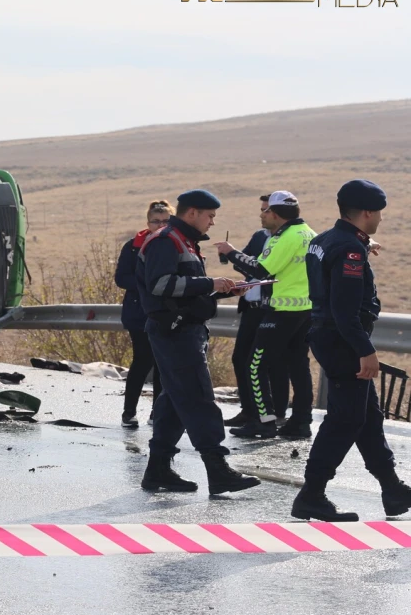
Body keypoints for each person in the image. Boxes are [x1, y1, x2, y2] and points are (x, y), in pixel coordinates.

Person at [292, 180, 411, 521]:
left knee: (367, 418)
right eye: (379, 215)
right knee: (345, 420)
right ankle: (311, 494)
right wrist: (366, 350)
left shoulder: (325, 240)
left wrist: (360, 244)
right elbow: (344, 311)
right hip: (343, 341)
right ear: (368, 212)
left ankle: (393, 490)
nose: (381, 221)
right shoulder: (350, 250)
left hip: (327, 336)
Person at [135, 189, 261, 494]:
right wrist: (210, 283)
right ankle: (218, 470)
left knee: (174, 403)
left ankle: (158, 470)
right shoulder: (167, 240)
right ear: (192, 212)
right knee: (199, 399)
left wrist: (223, 290)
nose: (212, 222)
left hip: (184, 331)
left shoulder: (185, 241)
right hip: (175, 333)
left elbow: (186, 289)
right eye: (210, 216)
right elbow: (161, 284)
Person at [215, 191, 316, 439]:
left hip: (281, 311)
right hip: (304, 311)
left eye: (264, 211)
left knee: (255, 365)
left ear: (275, 213)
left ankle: (264, 421)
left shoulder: (284, 237)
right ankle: (301, 422)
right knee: (299, 365)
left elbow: (260, 270)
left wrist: (230, 252)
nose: (261, 215)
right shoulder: (309, 233)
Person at [115, 200, 171, 428]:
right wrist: (149, 283)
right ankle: (129, 412)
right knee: (142, 360)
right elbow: (121, 278)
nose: (159, 225)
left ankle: (156, 413)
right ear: (147, 222)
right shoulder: (132, 246)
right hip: (138, 313)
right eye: (155, 221)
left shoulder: (174, 244)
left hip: (165, 313)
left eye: (165, 221)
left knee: (161, 363)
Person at [223, 206, 271, 428]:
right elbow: (243, 262)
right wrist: (231, 256)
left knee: (261, 364)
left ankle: (268, 417)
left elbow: (266, 270)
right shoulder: (260, 236)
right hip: (250, 306)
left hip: (270, 309)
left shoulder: (288, 239)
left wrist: (236, 255)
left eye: (266, 209)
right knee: (240, 359)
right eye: (260, 209)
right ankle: (249, 411)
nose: (261, 213)